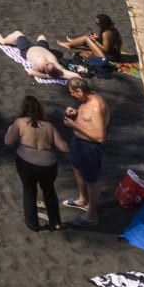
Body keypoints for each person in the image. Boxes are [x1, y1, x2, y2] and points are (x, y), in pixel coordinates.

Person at [5, 95, 67, 232]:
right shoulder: (49, 126)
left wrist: (10, 130)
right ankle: (55, 222)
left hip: (26, 163)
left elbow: (8, 142)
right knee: (49, 191)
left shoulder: (20, 122)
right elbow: (63, 147)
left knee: (29, 191)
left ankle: (33, 224)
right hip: (48, 164)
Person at [61, 78, 106, 226]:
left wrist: (75, 125)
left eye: (73, 93)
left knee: (91, 180)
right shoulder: (88, 100)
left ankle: (92, 215)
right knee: (77, 169)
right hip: (79, 143)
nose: (72, 95)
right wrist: (77, 112)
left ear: (80, 91)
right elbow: (88, 118)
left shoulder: (97, 106)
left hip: (90, 147)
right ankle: (83, 199)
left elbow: (99, 137)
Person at [0, 32, 74, 80]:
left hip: (27, 48)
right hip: (43, 48)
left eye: (48, 65)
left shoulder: (38, 66)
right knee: (41, 36)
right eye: (51, 64)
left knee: (17, 34)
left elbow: (31, 73)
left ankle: (3, 41)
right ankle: (14, 42)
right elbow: (73, 75)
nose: (49, 62)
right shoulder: (58, 68)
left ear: (45, 68)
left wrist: (47, 76)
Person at [58, 14, 123, 61]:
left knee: (87, 38)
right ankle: (72, 42)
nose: (96, 24)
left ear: (102, 24)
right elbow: (110, 43)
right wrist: (97, 38)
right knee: (88, 37)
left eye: (97, 23)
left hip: (108, 57)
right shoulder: (111, 29)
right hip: (115, 55)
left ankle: (69, 44)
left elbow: (106, 50)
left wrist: (95, 41)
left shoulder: (106, 33)